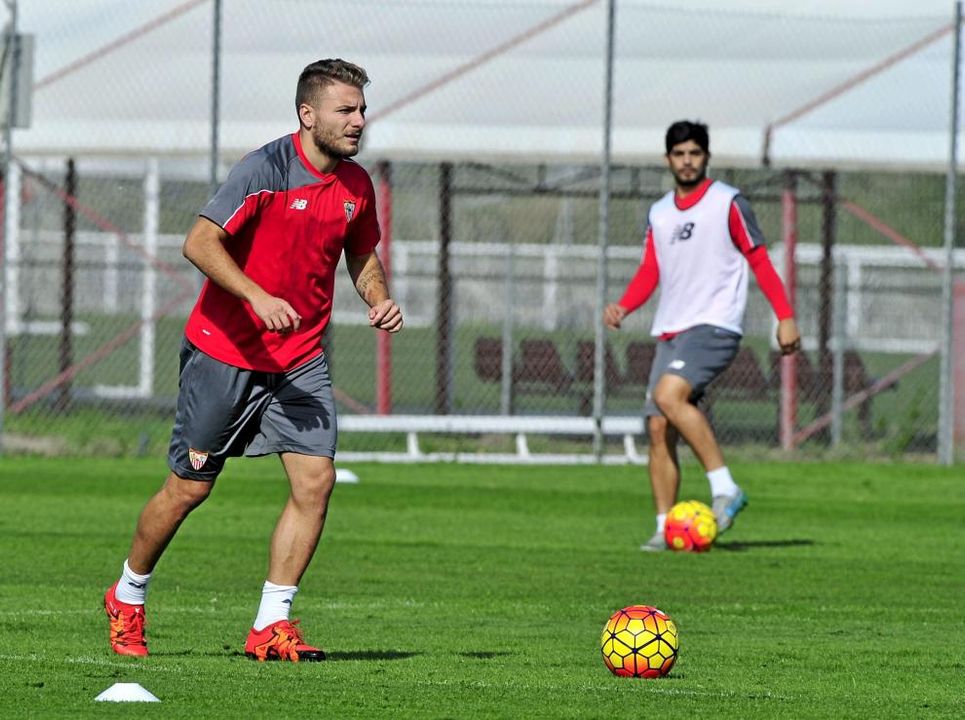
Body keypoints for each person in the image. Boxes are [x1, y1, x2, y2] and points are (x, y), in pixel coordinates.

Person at [104, 58, 403, 660]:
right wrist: (256, 296)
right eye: (346, 110)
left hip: (299, 360)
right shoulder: (263, 169)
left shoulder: (357, 186)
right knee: (189, 490)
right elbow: (199, 242)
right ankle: (127, 595)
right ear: (308, 114)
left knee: (315, 481)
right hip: (225, 353)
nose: (358, 121)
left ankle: (271, 624)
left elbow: (361, 254)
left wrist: (378, 298)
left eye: (362, 110)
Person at [603, 120, 800, 552]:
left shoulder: (727, 202)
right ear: (668, 159)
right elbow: (651, 268)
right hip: (671, 329)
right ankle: (664, 527)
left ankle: (726, 488)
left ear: (706, 157)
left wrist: (785, 316)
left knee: (669, 396)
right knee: (658, 427)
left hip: (714, 324)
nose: (687, 161)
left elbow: (759, 259)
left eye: (695, 153)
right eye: (679, 154)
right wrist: (625, 305)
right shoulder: (659, 213)